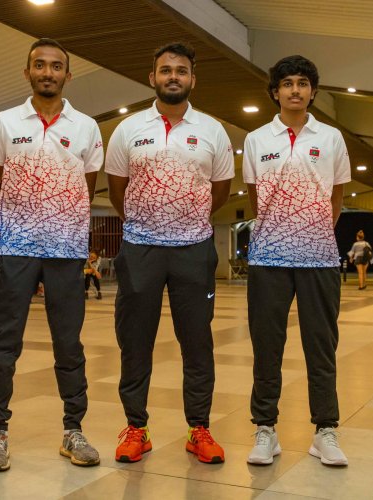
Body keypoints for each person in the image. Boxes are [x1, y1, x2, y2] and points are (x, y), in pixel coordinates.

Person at [105, 42, 234, 464]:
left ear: (192, 79)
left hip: (194, 250)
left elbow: (220, 191)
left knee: (197, 344)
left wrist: (184, 221)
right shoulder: (127, 129)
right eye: (165, 70)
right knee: (135, 343)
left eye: (181, 70)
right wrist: (148, 222)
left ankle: (199, 429)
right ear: (152, 77)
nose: (173, 76)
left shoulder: (213, 130)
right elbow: (117, 190)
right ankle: (136, 429)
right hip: (140, 249)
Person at [0, 38, 103, 471]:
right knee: (4, 344)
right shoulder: (4, 122)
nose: (47, 72)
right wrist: (22, 218)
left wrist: (60, 219)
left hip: (67, 253)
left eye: (56, 66)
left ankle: (74, 429)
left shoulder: (86, 126)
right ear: (27, 71)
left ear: (68, 75)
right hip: (16, 250)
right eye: (39, 65)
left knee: (68, 344)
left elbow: (86, 189)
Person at [243, 55, 350, 467]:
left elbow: (336, 196)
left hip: (320, 257)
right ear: (275, 92)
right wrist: (280, 230)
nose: (294, 90)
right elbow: (255, 199)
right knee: (267, 346)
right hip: (268, 257)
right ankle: (265, 428)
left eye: (302, 83)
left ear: (312, 92)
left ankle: (325, 430)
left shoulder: (333, 137)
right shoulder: (257, 139)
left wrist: (313, 230)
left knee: (320, 347)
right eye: (287, 83)